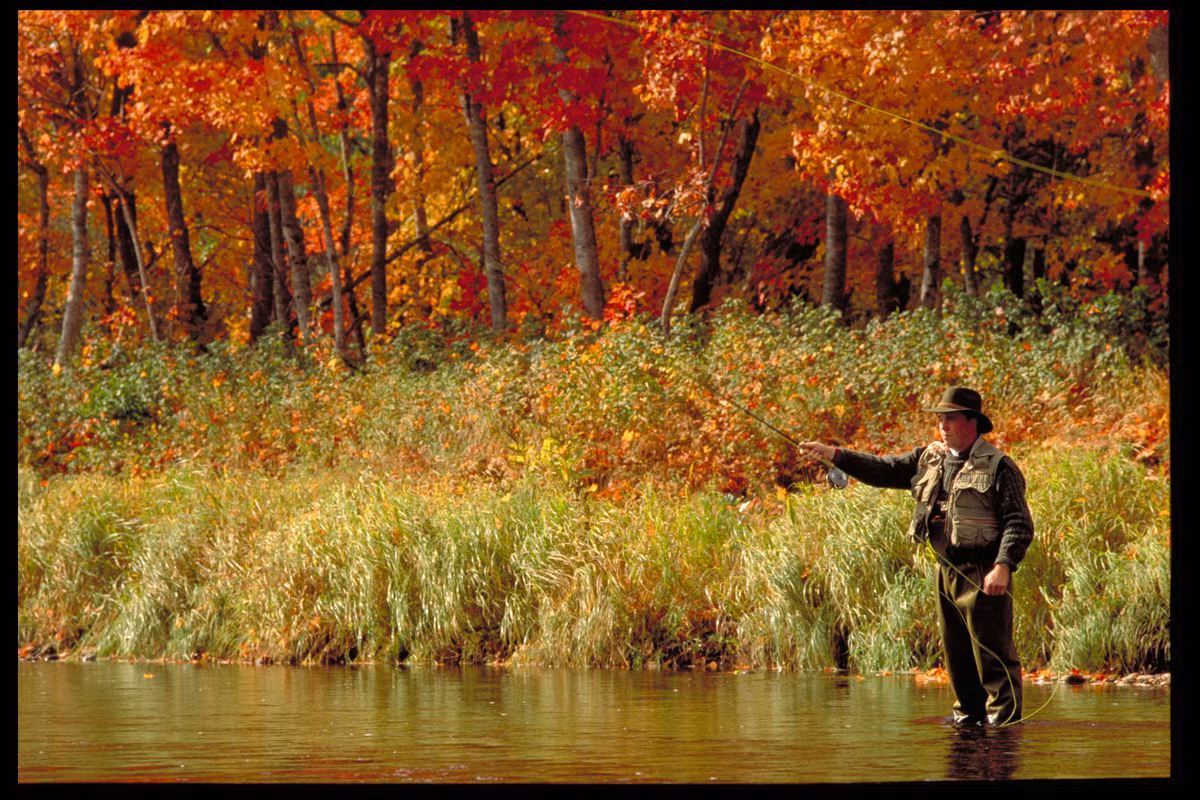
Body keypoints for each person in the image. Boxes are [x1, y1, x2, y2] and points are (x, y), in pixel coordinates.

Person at [800, 387, 1034, 726]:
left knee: (993, 659)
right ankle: (968, 730)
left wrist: (1003, 566)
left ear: (973, 422)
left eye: (950, 418)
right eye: (940, 419)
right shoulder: (928, 458)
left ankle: (1005, 735)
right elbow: (882, 469)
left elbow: (1018, 522)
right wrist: (834, 454)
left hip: (984, 574)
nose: (943, 425)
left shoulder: (1001, 467)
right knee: (958, 659)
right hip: (945, 572)